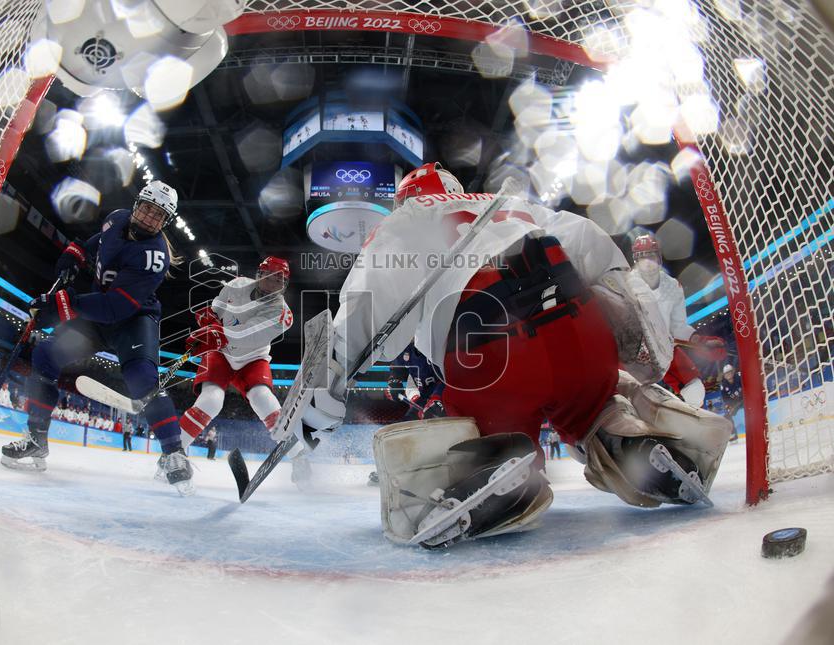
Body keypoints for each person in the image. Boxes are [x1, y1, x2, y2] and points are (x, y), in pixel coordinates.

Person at [295, 161, 732, 548]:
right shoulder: (512, 204)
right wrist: (629, 340)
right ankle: (625, 436)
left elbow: (367, 306)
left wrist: (322, 380)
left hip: (489, 349)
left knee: (489, 430)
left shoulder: (407, 220)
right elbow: (601, 254)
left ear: (407, 200)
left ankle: (502, 472)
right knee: (595, 405)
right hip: (582, 330)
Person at [1, 180, 189, 495]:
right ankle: (36, 439)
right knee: (46, 354)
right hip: (101, 312)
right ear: (137, 204)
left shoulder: (155, 256)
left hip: (132, 319)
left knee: (143, 379)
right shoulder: (116, 219)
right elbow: (97, 243)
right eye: (146, 208)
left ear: (165, 222)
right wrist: (74, 255)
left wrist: (61, 304)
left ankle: (174, 454)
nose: (149, 218)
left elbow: (114, 308)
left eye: (158, 215)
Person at [176, 256, 308, 490]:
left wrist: (216, 333)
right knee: (210, 401)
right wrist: (207, 320)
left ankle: (300, 458)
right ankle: (173, 456)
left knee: (264, 400)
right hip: (221, 354)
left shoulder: (282, 315)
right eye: (272, 276)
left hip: (253, 357)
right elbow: (216, 309)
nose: (276, 283)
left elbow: (247, 337)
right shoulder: (235, 285)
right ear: (260, 274)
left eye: (281, 279)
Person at [631, 234, 727, 407]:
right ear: (636, 260)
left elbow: (678, 326)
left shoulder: (673, 286)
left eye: (651, 255)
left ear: (659, 257)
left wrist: (700, 341)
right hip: (634, 354)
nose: (647, 262)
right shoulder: (626, 284)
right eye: (642, 257)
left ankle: (695, 430)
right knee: (633, 399)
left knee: (695, 390)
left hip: (666, 349)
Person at [369, 341, 446, 485]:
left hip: (447, 397)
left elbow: (449, 375)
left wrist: (437, 398)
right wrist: (394, 382)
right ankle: (392, 470)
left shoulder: (436, 343)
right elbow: (398, 369)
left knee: (437, 435)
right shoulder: (406, 348)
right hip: (424, 399)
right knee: (401, 430)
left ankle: (435, 472)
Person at [720, 364, 743, 441]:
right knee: (727, 416)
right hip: (734, 403)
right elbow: (725, 398)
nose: (728, 374)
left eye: (729, 372)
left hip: (745, 399)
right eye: (726, 373)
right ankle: (733, 434)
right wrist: (729, 406)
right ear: (724, 375)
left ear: (733, 372)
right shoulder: (723, 385)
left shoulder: (739, 377)